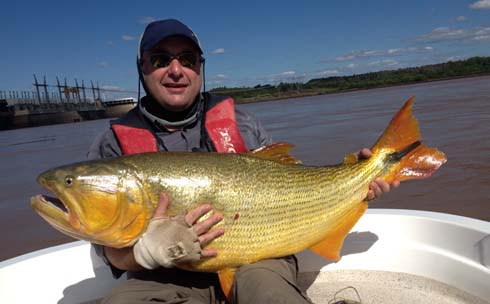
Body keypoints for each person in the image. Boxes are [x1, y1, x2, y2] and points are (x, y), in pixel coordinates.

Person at [88, 19, 398, 304]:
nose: (176, 69)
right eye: (160, 60)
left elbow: (295, 182)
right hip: (163, 278)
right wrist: (142, 253)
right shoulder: (111, 147)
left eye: (187, 59)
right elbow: (108, 251)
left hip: (259, 258)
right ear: (141, 68)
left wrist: (357, 176)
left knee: (269, 294)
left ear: (200, 67)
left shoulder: (243, 123)